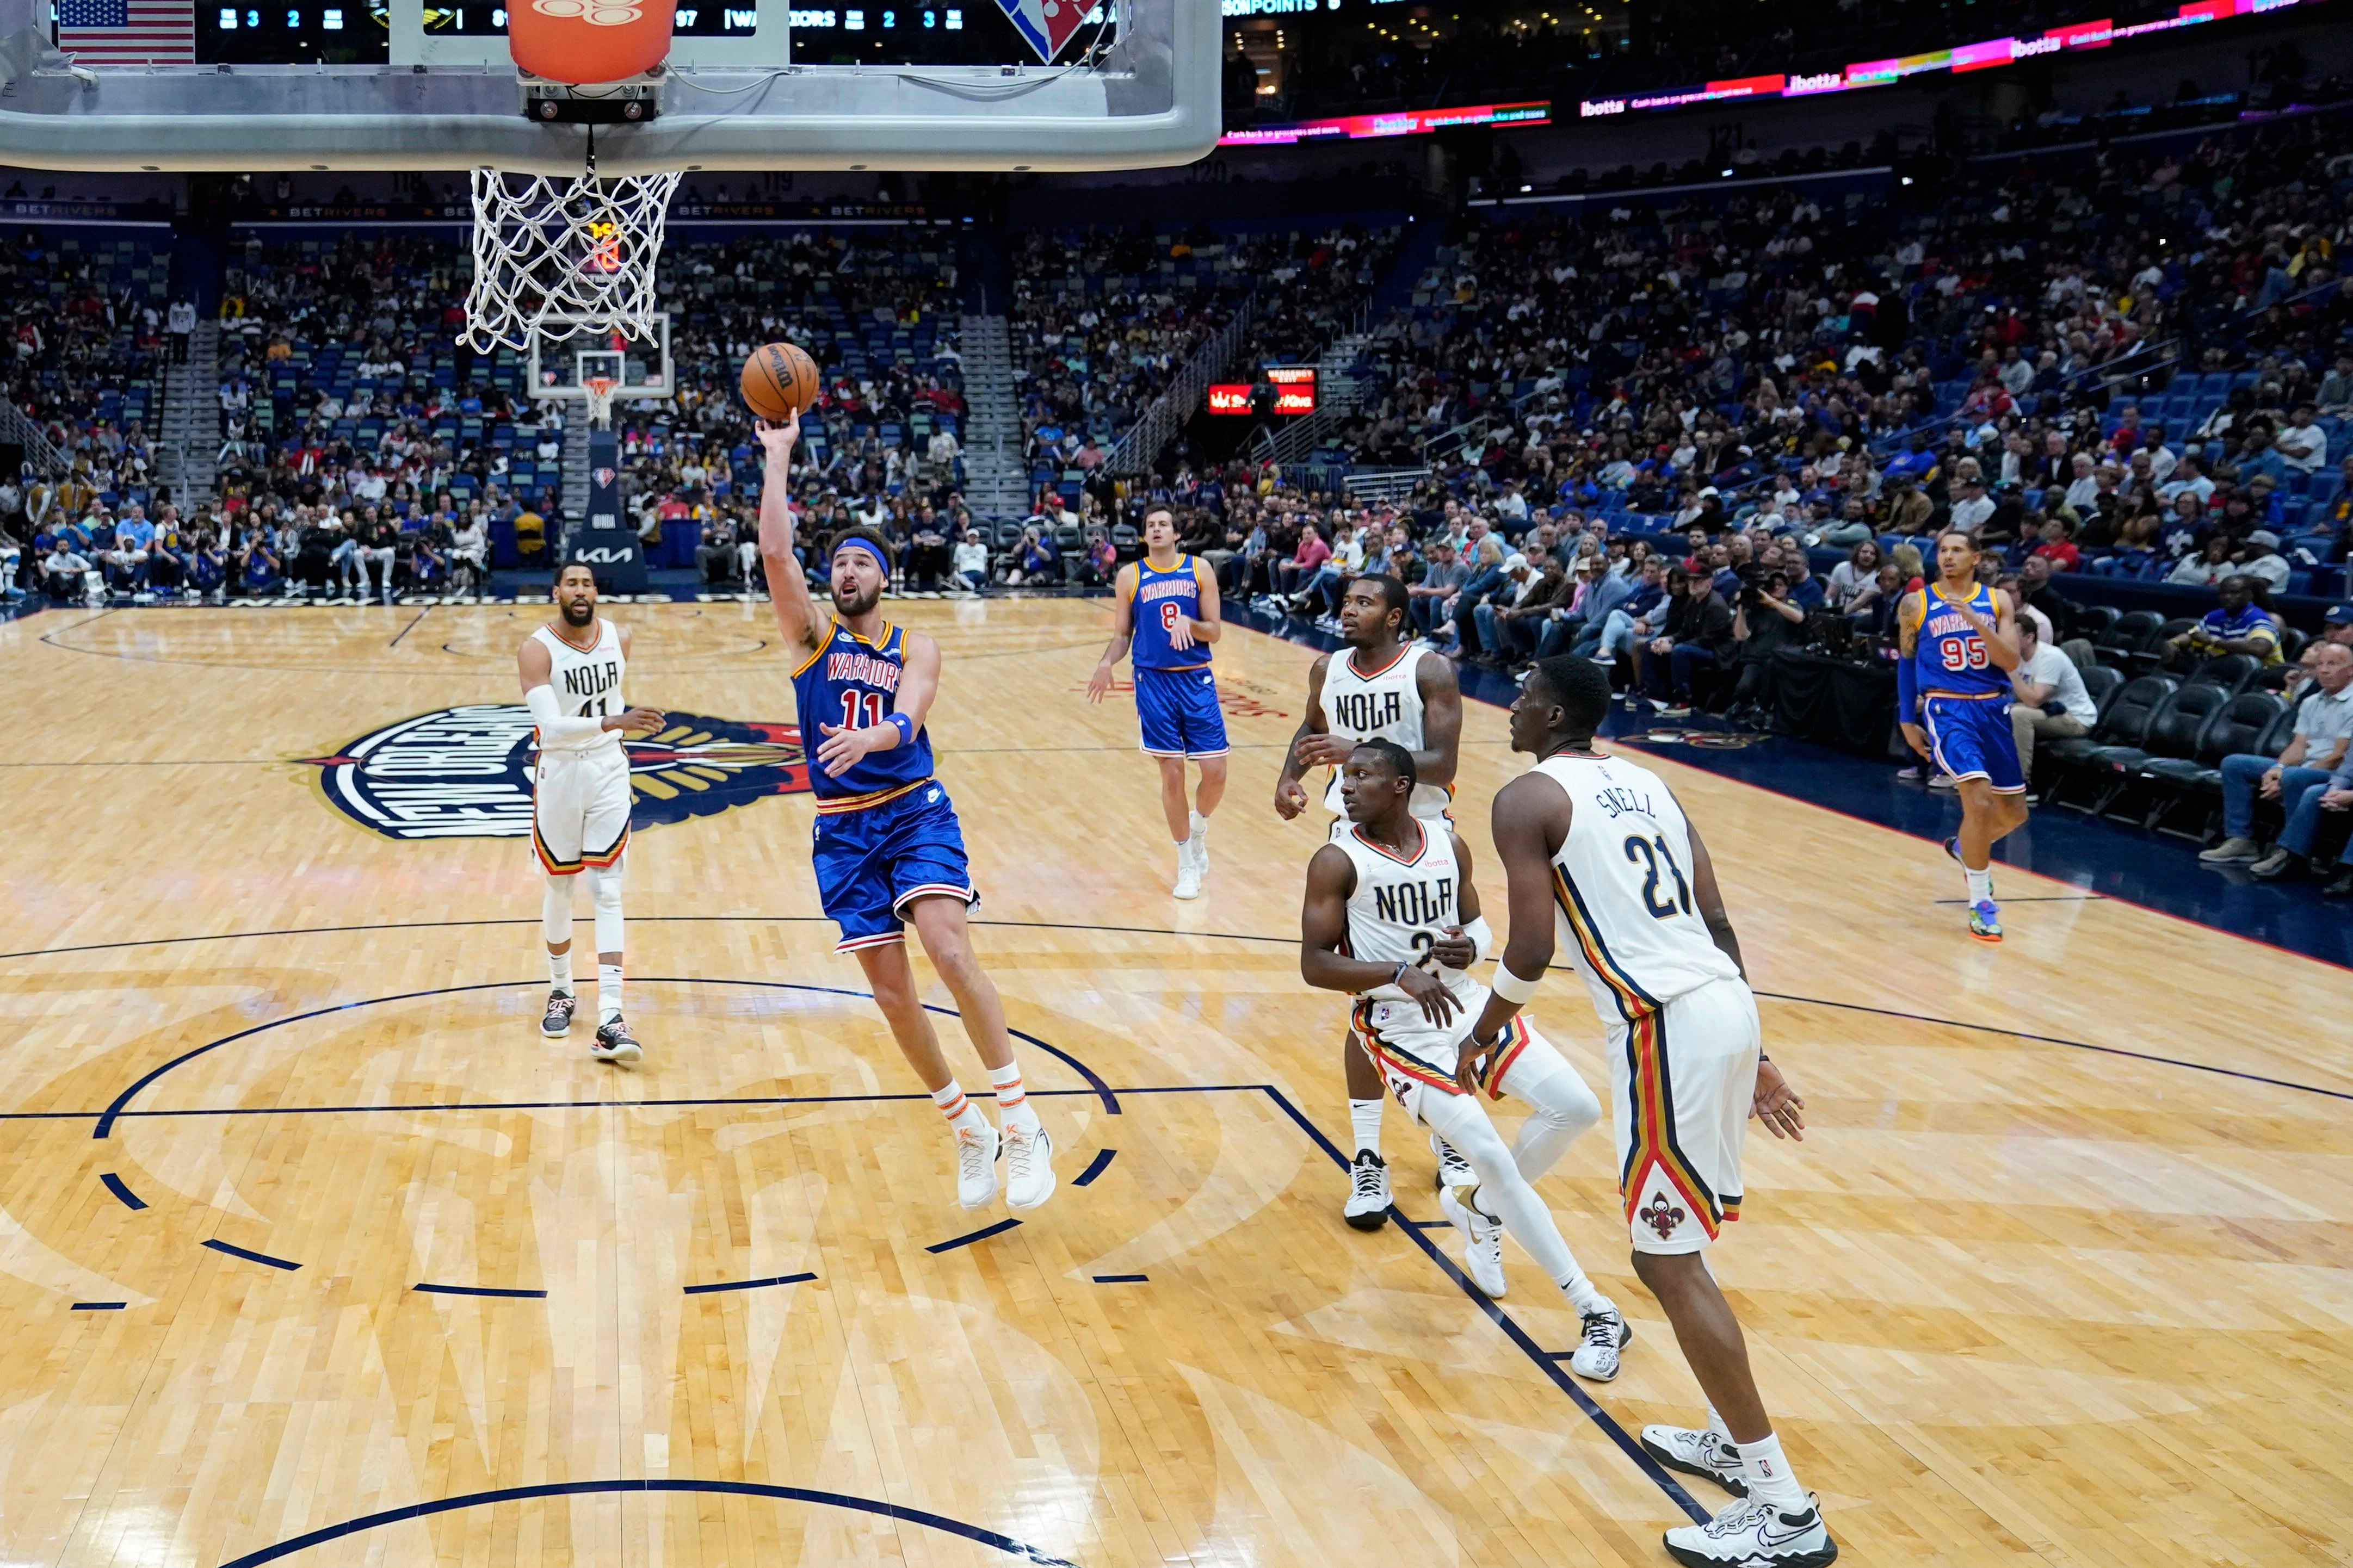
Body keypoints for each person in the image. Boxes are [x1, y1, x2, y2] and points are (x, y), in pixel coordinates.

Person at [1462, 656, 1832, 1568]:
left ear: (1550, 711)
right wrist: (1758, 1048)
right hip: (1721, 1004)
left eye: (1521, 695)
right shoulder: (1653, 784)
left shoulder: (1527, 796)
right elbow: (1716, 917)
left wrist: (1485, 1028)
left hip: (1663, 1026)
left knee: (1663, 1256)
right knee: (1681, 1245)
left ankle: (1783, 1505)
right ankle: (1725, 1432)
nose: (1510, 706)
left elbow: (1532, 946)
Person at [755, 413, 1055, 1212]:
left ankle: (1023, 1121)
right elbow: (776, 554)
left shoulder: (913, 644)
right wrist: (778, 456)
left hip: (914, 809)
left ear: (884, 576)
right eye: (840, 564)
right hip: (841, 826)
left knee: (946, 946)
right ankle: (968, 1127)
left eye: (861, 561)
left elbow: (912, 714)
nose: (847, 570)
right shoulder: (810, 637)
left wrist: (875, 733)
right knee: (891, 994)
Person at [1299, 739, 1625, 1360]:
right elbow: (1314, 964)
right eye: (1344, 777)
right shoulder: (1334, 859)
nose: (1345, 786)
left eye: (1361, 775)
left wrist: (1469, 949)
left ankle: (1475, 1205)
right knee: (1490, 1155)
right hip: (1397, 1025)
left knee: (1575, 1108)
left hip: (1467, 1002)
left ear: (1399, 786)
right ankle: (1592, 1308)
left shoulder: (1448, 844)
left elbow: (1476, 925)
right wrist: (1396, 972)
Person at [1275, 573, 1464, 1230]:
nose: (1348, 610)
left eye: (1364, 603)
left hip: (1429, 837)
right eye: (1346, 601)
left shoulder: (1428, 668)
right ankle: (1366, 1157)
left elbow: (1440, 762)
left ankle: (1449, 1134)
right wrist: (1289, 778)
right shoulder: (1327, 668)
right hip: (1354, 843)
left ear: (1395, 617)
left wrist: (1360, 751)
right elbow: (1310, 727)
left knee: (1445, 989)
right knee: (1374, 999)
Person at [517, 563, 666, 1065]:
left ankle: (611, 1014)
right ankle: (561, 989)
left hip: (607, 770)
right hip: (559, 774)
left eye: (587, 583)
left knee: (606, 886)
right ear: (556, 591)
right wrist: (612, 720)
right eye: (571, 584)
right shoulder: (536, 649)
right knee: (560, 885)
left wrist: (614, 728)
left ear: (596, 591)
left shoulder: (619, 638)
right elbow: (550, 728)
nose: (580, 591)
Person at [1086, 503, 1227, 900]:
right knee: (1172, 773)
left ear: (1176, 533)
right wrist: (1105, 662)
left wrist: (1191, 624)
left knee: (1215, 772)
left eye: (1164, 524)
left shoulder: (1199, 569)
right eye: (1151, 525)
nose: (1158, 529)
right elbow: (1121, 635)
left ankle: (1197, 830)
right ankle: (1185, 862)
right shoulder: (1130, 575)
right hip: (1152, 682)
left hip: (1196, 678)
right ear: (1144, 536)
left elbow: (1214, 632)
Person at [1898, 531, 2027, 941]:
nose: (1947, 556)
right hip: (1947, 707)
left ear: (1976, 557)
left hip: (1992, 706)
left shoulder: (1997, 601)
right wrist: (1905, 719)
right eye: (1942, 550)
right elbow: (1905, 662)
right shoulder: (1916, 603)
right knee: (1979, 798)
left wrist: (1972, 619)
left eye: (1957, 550)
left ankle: (1964, 848)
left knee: (2013, 815)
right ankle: (1981, 904)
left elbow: (2009, 660)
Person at [2199, 640, 2353, 875]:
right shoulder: (2312, 701)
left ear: (2351, 670)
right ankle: (2241, 840)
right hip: (2304, 766)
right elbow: (2299, 745)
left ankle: (2289, 851)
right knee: (2234, 764)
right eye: (2320, 664)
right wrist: (2279, 768)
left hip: (2335, 773)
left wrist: (2287, 776)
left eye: (2333, 664)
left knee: (2294, 777)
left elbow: (2338, 756)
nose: (2323, 670)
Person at [2008, 618, 2097, 790]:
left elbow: (2035, 700)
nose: (2006, 638)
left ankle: (2020, 783)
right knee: (1994, 708)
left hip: (2075, 719)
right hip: (2047, 713)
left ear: (2029, 638)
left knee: (2018, 715)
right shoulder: (2016, 656)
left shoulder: (2050, 657)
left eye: (2012, 634)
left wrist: (2010, 671)